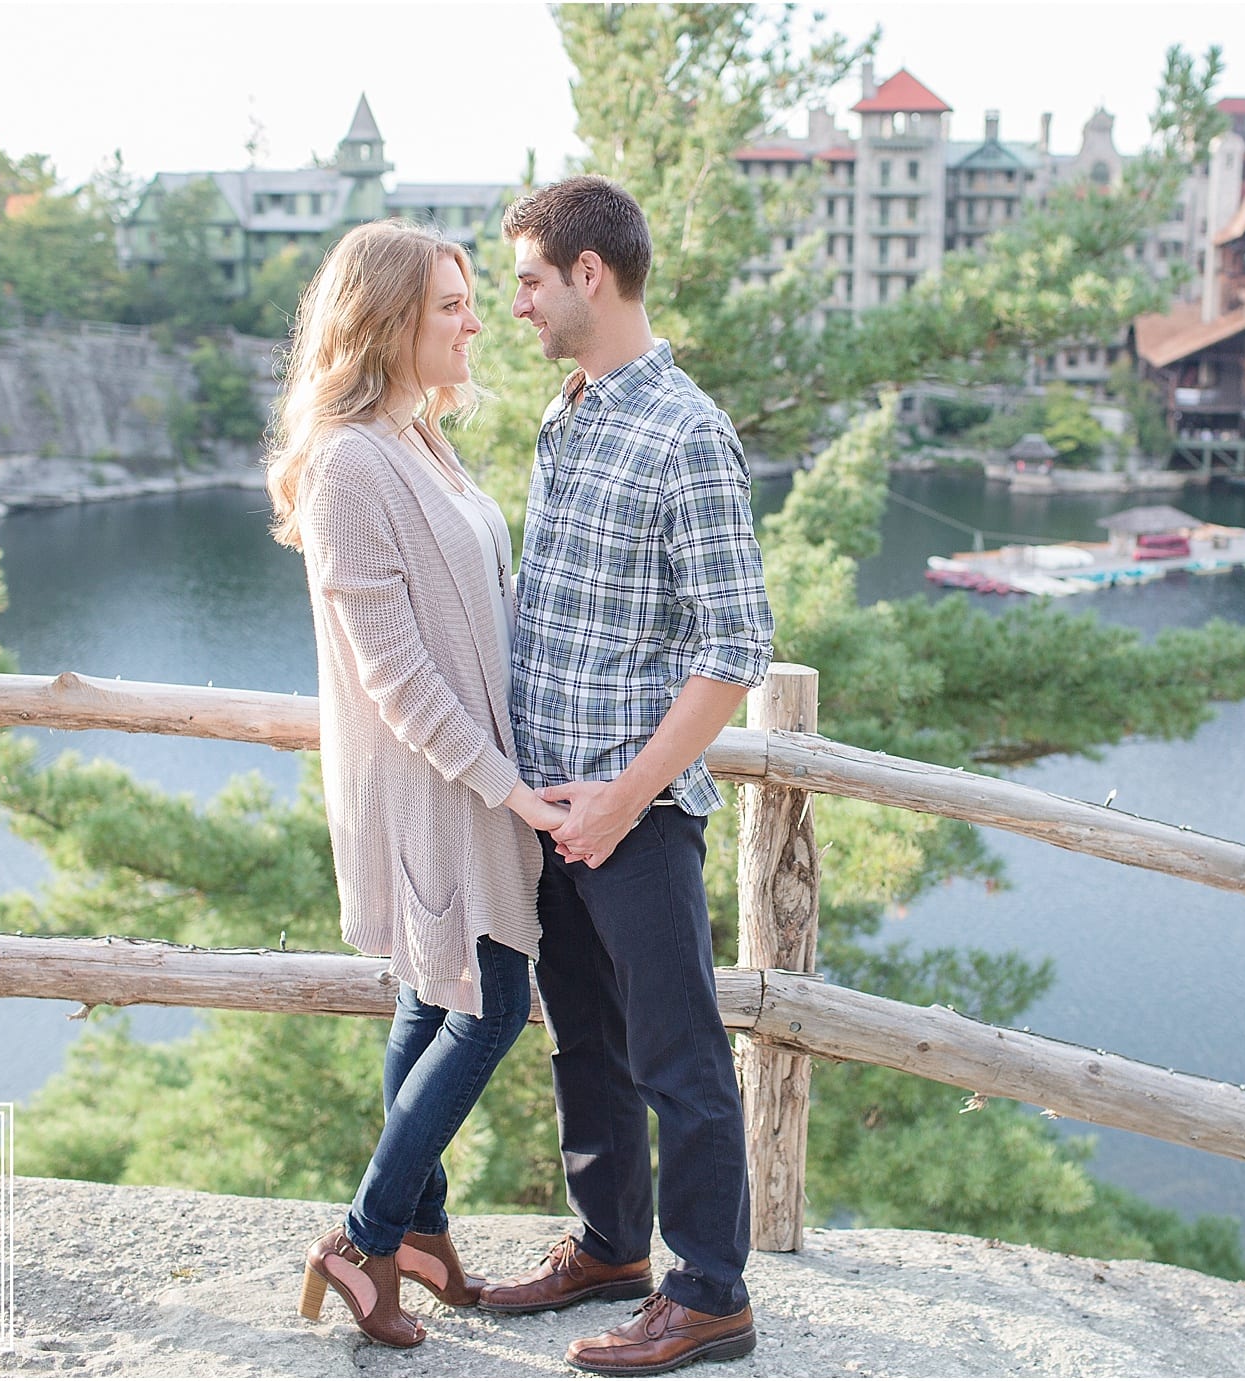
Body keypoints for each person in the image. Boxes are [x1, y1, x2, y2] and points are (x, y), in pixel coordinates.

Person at [474, 176, 775, 1377]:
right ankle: (610, 1248)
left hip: (632, 815)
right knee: (581, 1041)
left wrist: (626, 793)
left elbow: (733, 649)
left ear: (589, 275)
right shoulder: (569, 410)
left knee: (677, 1056)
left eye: (530, 283)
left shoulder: (688, 433)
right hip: (550, 804)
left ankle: (710, 1293)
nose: (516, 307)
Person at [266, 220, 570, 1349]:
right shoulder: (349, 460)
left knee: (430, 997)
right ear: (389, 319)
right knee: (489, 1005)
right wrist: (507, 785)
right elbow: (391, 668)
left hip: (467, 780)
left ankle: (423, 1236)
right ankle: (363, 1234)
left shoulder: (418, 437)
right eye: (451, 304)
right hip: (435, 788)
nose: (476, 322)